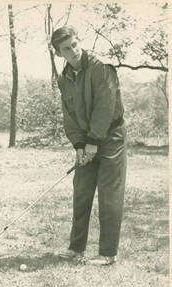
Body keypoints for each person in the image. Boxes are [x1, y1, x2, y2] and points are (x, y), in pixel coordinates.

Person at [51, 26, 127, 265]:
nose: (73, 50)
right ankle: (76, 249)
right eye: (66, 48)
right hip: (87, 140)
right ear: (59, 53)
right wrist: (79, 145)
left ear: (78, 41)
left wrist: (94, 141)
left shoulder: (101, 68)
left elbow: (106, 106)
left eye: (74, 44)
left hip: (111, 136)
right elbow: (70, 116)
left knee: (109, 194)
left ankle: (107, 254)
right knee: (82, 191)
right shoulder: (63, 78)